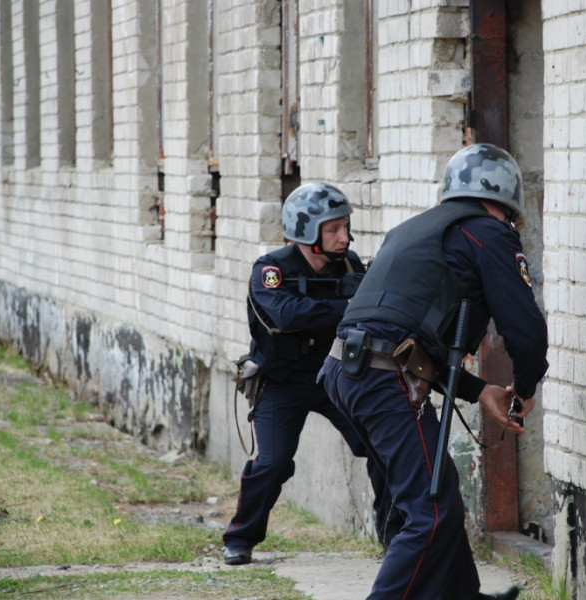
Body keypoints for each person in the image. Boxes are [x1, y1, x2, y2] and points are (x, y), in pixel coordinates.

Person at [318, 143, 549, 600]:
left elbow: (406, 339)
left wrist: (480, 389)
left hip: (345, 371)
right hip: (381, 377)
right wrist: (524, 388)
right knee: (430, 509)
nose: (512, 224)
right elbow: (525, 331)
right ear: (504, 200)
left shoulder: (413, 230)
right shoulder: (489, 232)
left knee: (435, 492)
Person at [222, 182, 400, 566]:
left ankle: (395, 539)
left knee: (383, 448)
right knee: (272, 464)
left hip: (334, 377)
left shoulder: (351, 265)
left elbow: (374, 309)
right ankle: (240, 539)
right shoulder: (271, 270)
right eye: (333, 229)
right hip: (281, 383)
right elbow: (285, 315)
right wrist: (346, 308)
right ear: (306, 230)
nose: (344, 237)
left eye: (345, 227)